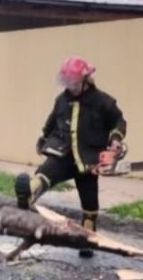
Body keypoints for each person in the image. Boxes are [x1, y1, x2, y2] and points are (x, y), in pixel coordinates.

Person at [15, 56, 127, 258]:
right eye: (67, 83)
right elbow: (51, 122)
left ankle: (87, 239)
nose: (70, 87)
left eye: (73, 83)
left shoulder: (102, 101)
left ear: (85, 80)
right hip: (64, 154)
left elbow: (119, 121)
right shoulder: (61, 100)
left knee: (90, 201)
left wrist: (116, 140)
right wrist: (43, 139)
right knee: (46, 172)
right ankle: (27, 196)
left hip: (89, 159)